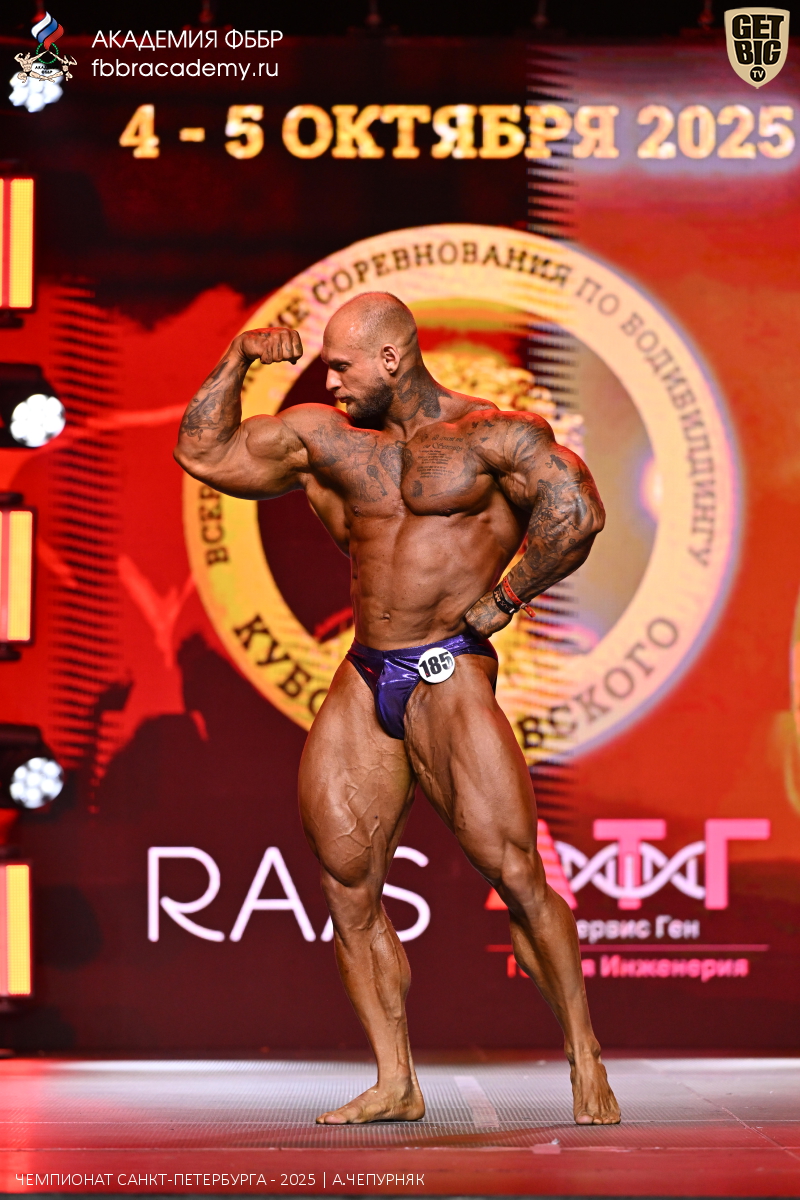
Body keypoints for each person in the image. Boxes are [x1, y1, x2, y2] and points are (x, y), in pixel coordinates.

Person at [174, 292, 620, 1127]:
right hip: (366, 668)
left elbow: (577, 512)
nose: (329, 380)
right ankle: (396, 1080)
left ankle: (584, 1055)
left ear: (391, 358)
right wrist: (238, 359)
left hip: (450, 667)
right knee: (346, 884)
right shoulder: (327, 439)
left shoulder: (492, 435)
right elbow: (203, 451)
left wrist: (505, 599)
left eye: (342, 365)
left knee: (515, 874)